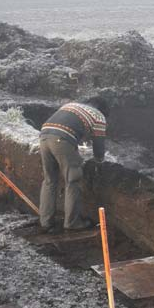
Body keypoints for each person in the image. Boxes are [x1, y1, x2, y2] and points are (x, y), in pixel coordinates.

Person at [38, 97, 109, 232]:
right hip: (61, 139)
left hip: (44, 136)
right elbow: (99, 147)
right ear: (103, 110)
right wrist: (99, 162)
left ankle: (46, 222)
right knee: (73, 179)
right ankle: (72, 223)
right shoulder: (98, 116)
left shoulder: (71, 106)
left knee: (49, 180)